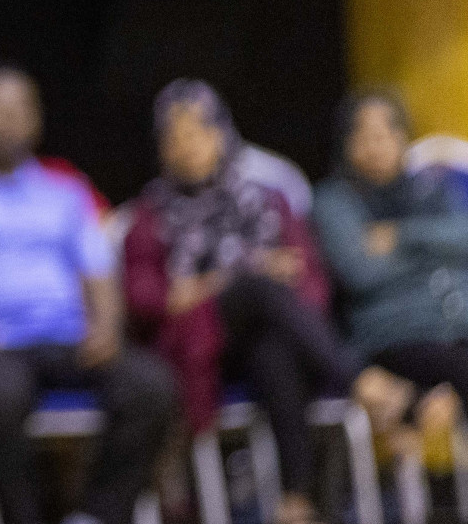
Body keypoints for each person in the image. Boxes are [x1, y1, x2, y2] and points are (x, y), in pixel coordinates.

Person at [123, 79, 411, 524]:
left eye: (198, 132)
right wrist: (235, 275)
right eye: (173, 137)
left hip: (271, 342)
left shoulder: (266, 200)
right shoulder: (149, 216)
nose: (187, 147)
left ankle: (296, 500)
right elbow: (146, 300)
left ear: (222, 134)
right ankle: (361, 380)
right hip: (192, 353)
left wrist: (212, 286)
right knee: (255, 286)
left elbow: (310, 286)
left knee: (273, 349)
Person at [0, 67, 175, 524]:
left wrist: (106, 327)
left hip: (63, 338)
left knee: (151, 384)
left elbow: (98, 271)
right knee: (3, 393)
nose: (10, 121)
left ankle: (95, 516)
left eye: (22, 109)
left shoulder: (65, 190)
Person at [312, 91, 468, 458]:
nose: (375, 146)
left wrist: (401, 235)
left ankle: (427, 408)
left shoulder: (431, 188)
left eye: (385, 135)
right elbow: (360, 271)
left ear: (403, 138)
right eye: (363, 136)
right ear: (346, 143)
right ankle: (425, 409)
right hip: (392, 336)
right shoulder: (335, 201)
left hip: (455, 326)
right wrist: (436, 254)